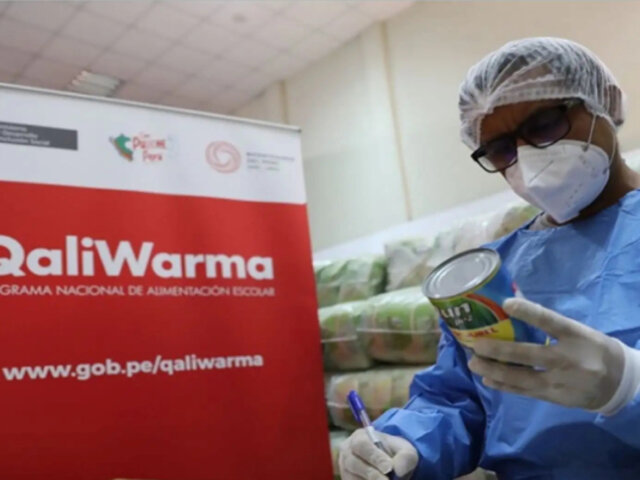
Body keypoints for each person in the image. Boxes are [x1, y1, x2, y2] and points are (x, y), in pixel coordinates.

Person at [339, 37, 640, 480]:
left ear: (605, 103)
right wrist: (406, 441)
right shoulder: (488, 273)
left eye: (544, 125)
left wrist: (628, 384)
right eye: (501, 149)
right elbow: (458, 398)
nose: (528, 158)